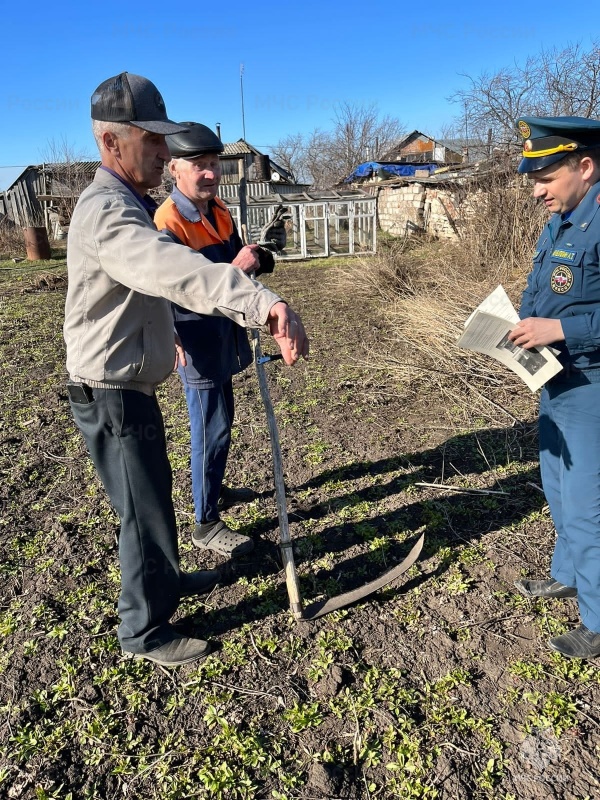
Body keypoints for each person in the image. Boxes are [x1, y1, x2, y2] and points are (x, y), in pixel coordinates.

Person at [64, 72, 308, 667]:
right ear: (109, 144)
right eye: (149, 141)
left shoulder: (130, 204)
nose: (161, 152)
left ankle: (165, 589)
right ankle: (143, 631)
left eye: (162, 139)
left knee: (154, 495)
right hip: (110, 390)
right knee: (141, 509)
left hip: (129, 384)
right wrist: (261, 301)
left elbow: (155, 280)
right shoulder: (107, 213)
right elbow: (172, 270)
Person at [154, 123, 275, 558]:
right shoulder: (167, 221)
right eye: (198, 166)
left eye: (213, 165)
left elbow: (239, 260)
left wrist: (257, 257)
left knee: (221, 424)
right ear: (174, 170)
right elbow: (168, 288)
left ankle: (215, 489)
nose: (209, 173)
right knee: (210, 429)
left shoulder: (219, 210)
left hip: (225, 335)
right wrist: (170, 339)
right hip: (196, 341)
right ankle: (205, 524)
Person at [511, 116, 600, 659]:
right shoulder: (560, 218)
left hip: (592, 386)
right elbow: (539, 283)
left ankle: (597, 619)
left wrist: (561, 329)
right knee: (559, 489)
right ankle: (567, 575)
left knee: (590, 505)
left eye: (546, 176)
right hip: (554, 378)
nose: (537, 190)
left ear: (585, 167)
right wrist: (521, 323)